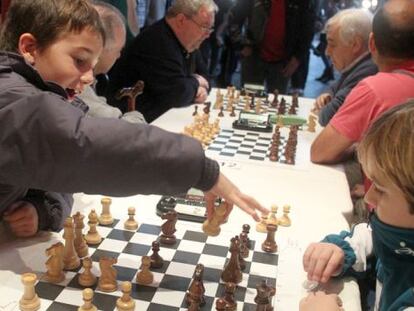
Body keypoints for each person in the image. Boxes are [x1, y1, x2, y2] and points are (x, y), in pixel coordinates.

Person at [0, 0, 268, 238]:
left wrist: (42, 209)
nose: (89, 77)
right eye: (79, 60)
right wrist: (200, 170)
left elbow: (58, 168)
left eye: (93, 66)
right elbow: (80, 143)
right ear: (30, 48)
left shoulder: (33, 95)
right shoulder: (13, 98)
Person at [301, 100, 414, 311]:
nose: (369, 197)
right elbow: (371, 235)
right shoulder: (400, 234)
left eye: (380, 187)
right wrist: (339, 250)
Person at [310, 0, 414, 165]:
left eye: (331, 44)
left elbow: (319, 152)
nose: (327, 52)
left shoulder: (376, 90)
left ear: (371, 43)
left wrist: (357, 149)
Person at [106, 0, 215, 123]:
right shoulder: (156, 41)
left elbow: (206, 78)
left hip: (162, 118)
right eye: (204, 27)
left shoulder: (188, 42)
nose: (207, 34)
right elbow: (177, 94)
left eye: (210, 28)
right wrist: (196, 82)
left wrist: (195, 86)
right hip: (134, 124)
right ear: (181, 20)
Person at [78, 1, 146, 124]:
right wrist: (135, 116)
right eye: (118, 50)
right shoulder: (76, 84)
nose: (119, 55)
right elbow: (132, 129)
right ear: (100, 48)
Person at [227, 0, 316, 94]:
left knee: (277, 103)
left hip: (283, 62)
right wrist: (240, 44)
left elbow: (308, 29)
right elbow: (234, 17)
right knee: (250, 100)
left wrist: (297, 57)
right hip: (254, 58)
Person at [313, 8, 378, 127]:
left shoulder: (367, 71)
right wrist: (329, 95)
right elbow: (335, 87)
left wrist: (327, 104)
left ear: (355, 44)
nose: (327, 52)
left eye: (332, 44)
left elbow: (328, 116)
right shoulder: (358, 65)